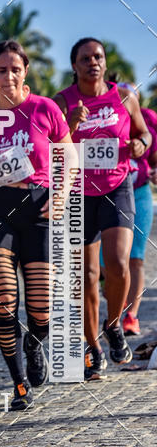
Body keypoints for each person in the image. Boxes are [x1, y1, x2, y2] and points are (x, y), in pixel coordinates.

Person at [0, 40, 73, 409]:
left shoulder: (44, 108)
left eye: (15, 69)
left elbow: (68, 152)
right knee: (5, 301)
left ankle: (34, 342)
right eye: (1, 70)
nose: (9, 75)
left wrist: (61, 193)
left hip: (38, 208)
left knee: (41, 310)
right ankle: (19, 382)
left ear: (25, 71)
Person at [55, 39, 149, 379]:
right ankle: (93, 348)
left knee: (119, 263)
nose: (92, 62)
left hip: (117, 187)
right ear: (75, 66)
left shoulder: (125, 97)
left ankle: (114, 325)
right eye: (85, 58)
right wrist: (69, 124)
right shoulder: (62, 102)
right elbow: (49, 149)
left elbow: (144, 135)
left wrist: (141, 143)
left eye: (98, 57)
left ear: (105, 63)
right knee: (87, 276)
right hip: (78, 194)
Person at [117, 90, 157, 334]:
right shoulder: (104, 119)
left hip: (139, 193)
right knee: (109, 262)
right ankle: (116, 296)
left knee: (136, 257)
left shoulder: (148, 120)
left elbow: (155, 159)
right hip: (105, 196)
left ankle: (131, 315)